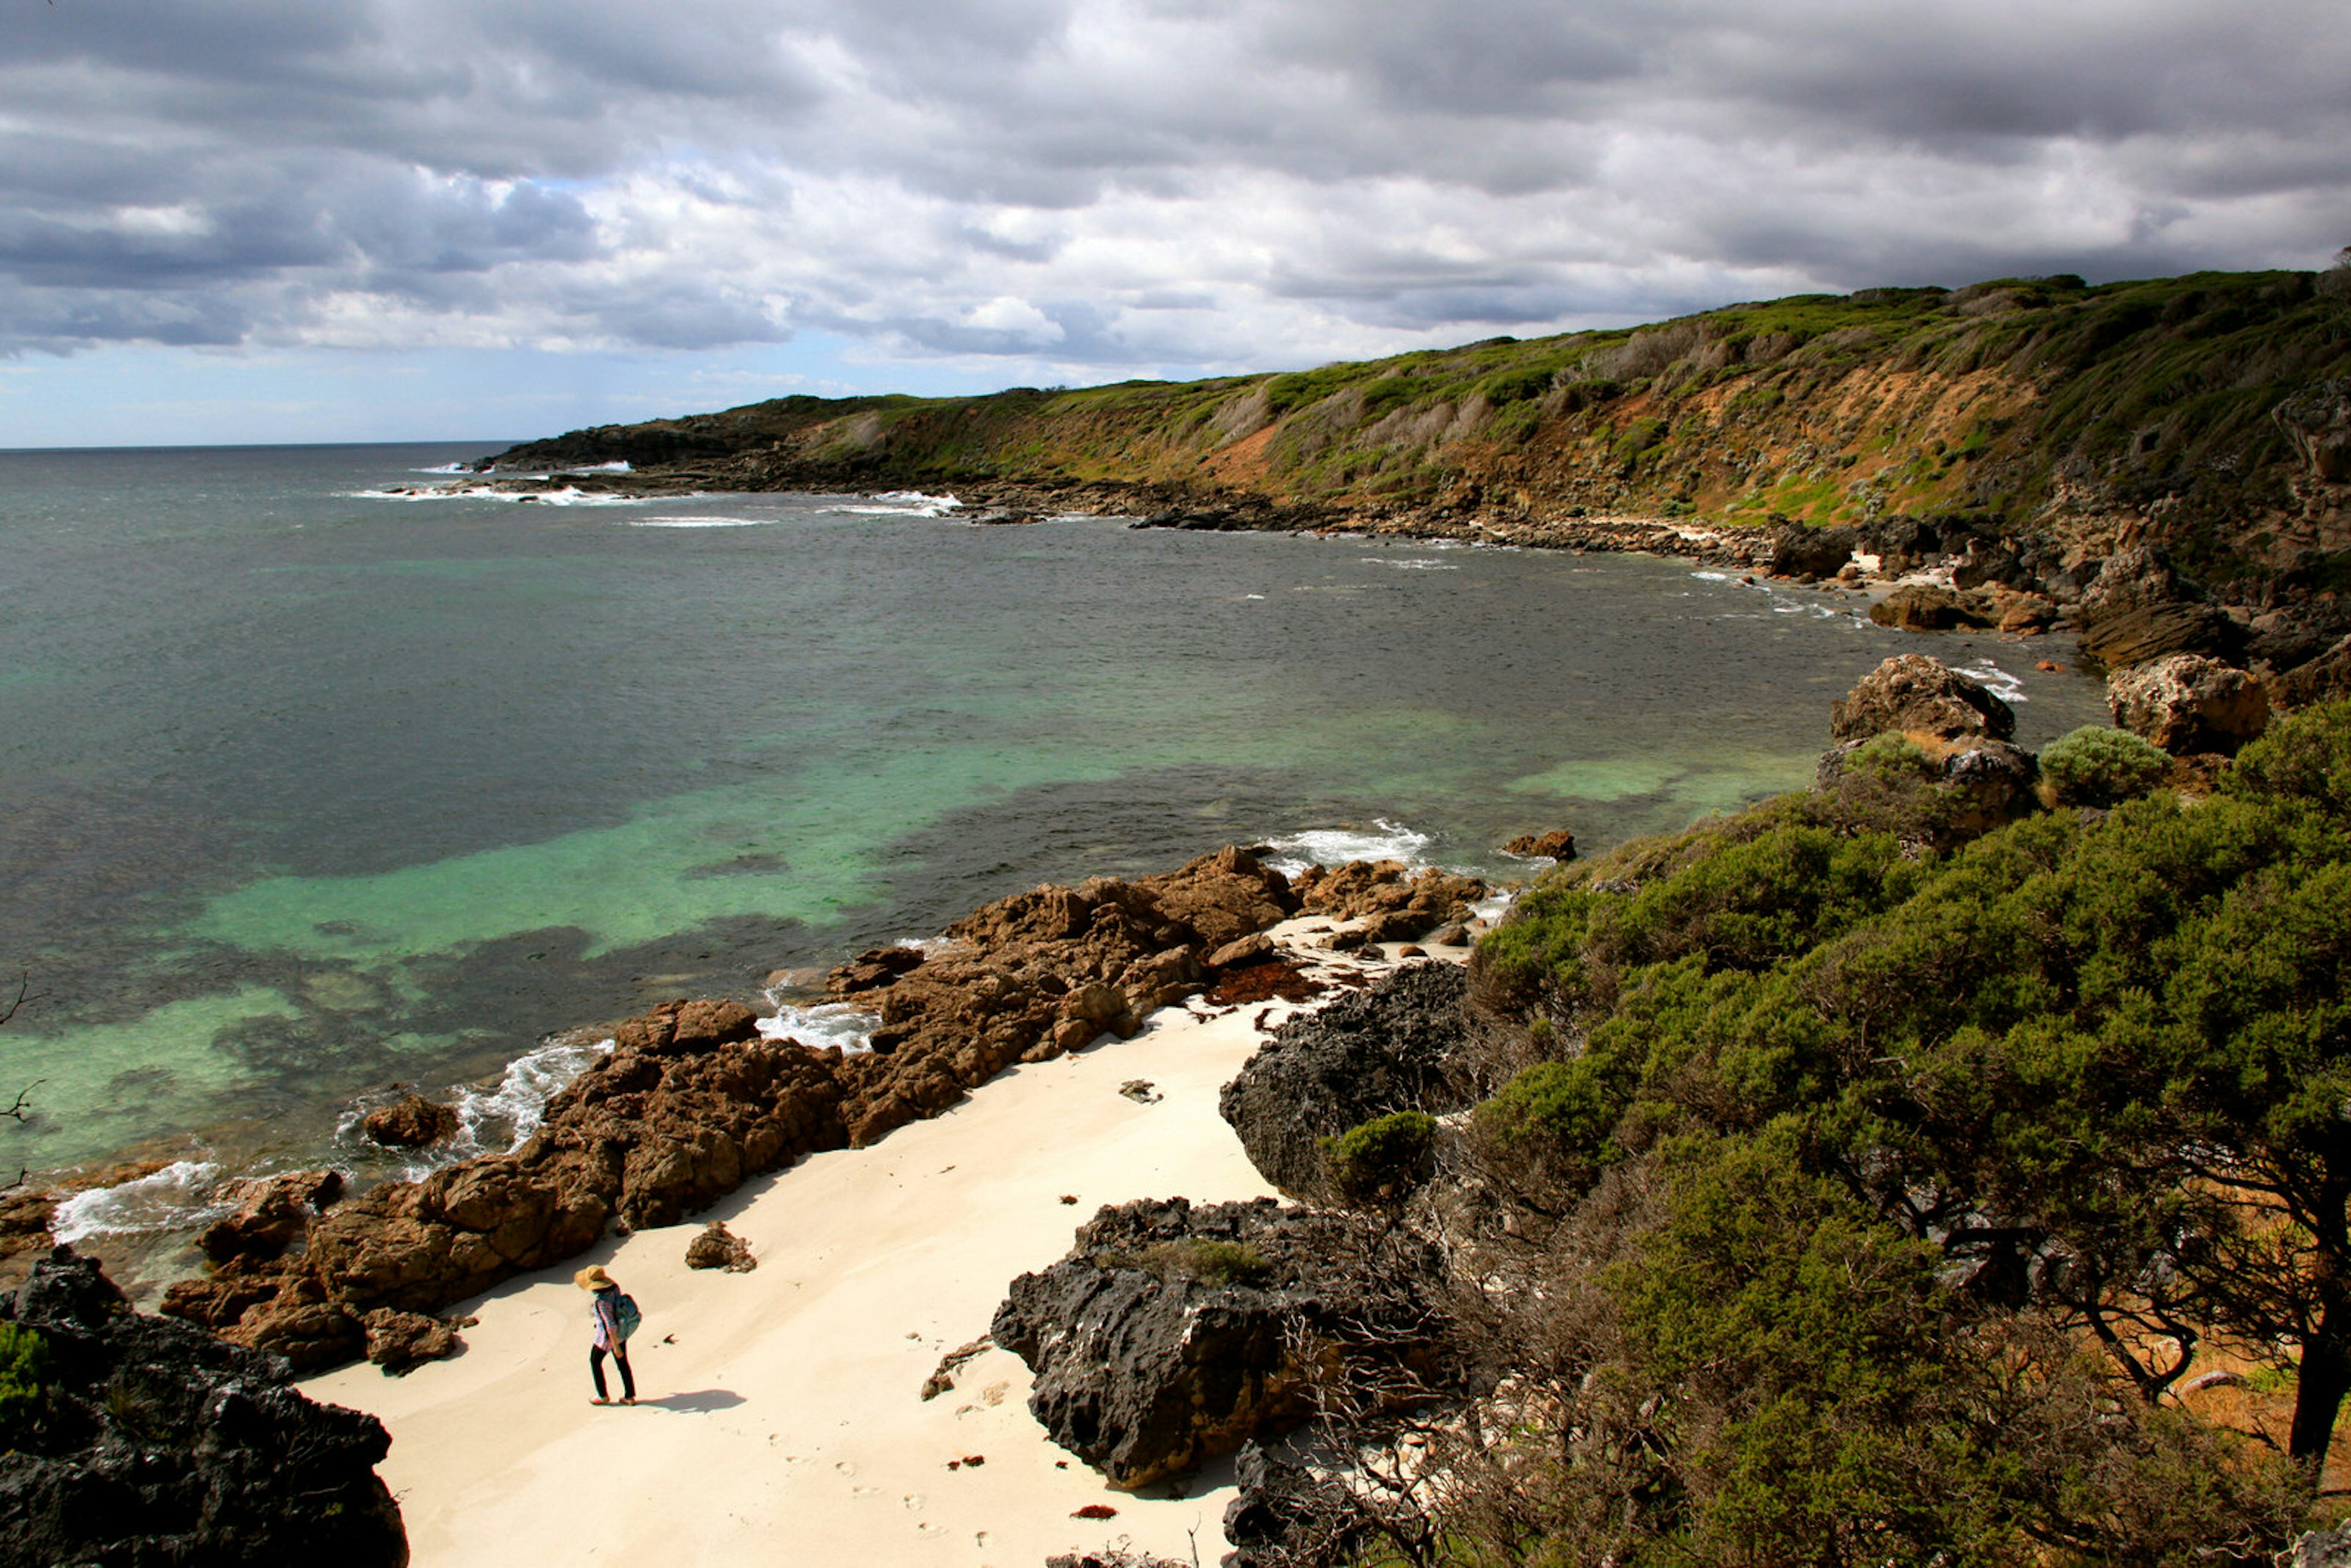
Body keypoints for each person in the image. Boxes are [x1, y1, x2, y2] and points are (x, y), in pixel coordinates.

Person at [574, 1265, 636, 1406]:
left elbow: (610, 1325)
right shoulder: (614, 1288)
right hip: (621, 1332)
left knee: (595, 1361)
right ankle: (630, 1395)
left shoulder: (601, 1301)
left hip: (607, 1337)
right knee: (623, 1363)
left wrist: (615, 1347)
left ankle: (602, 1396)